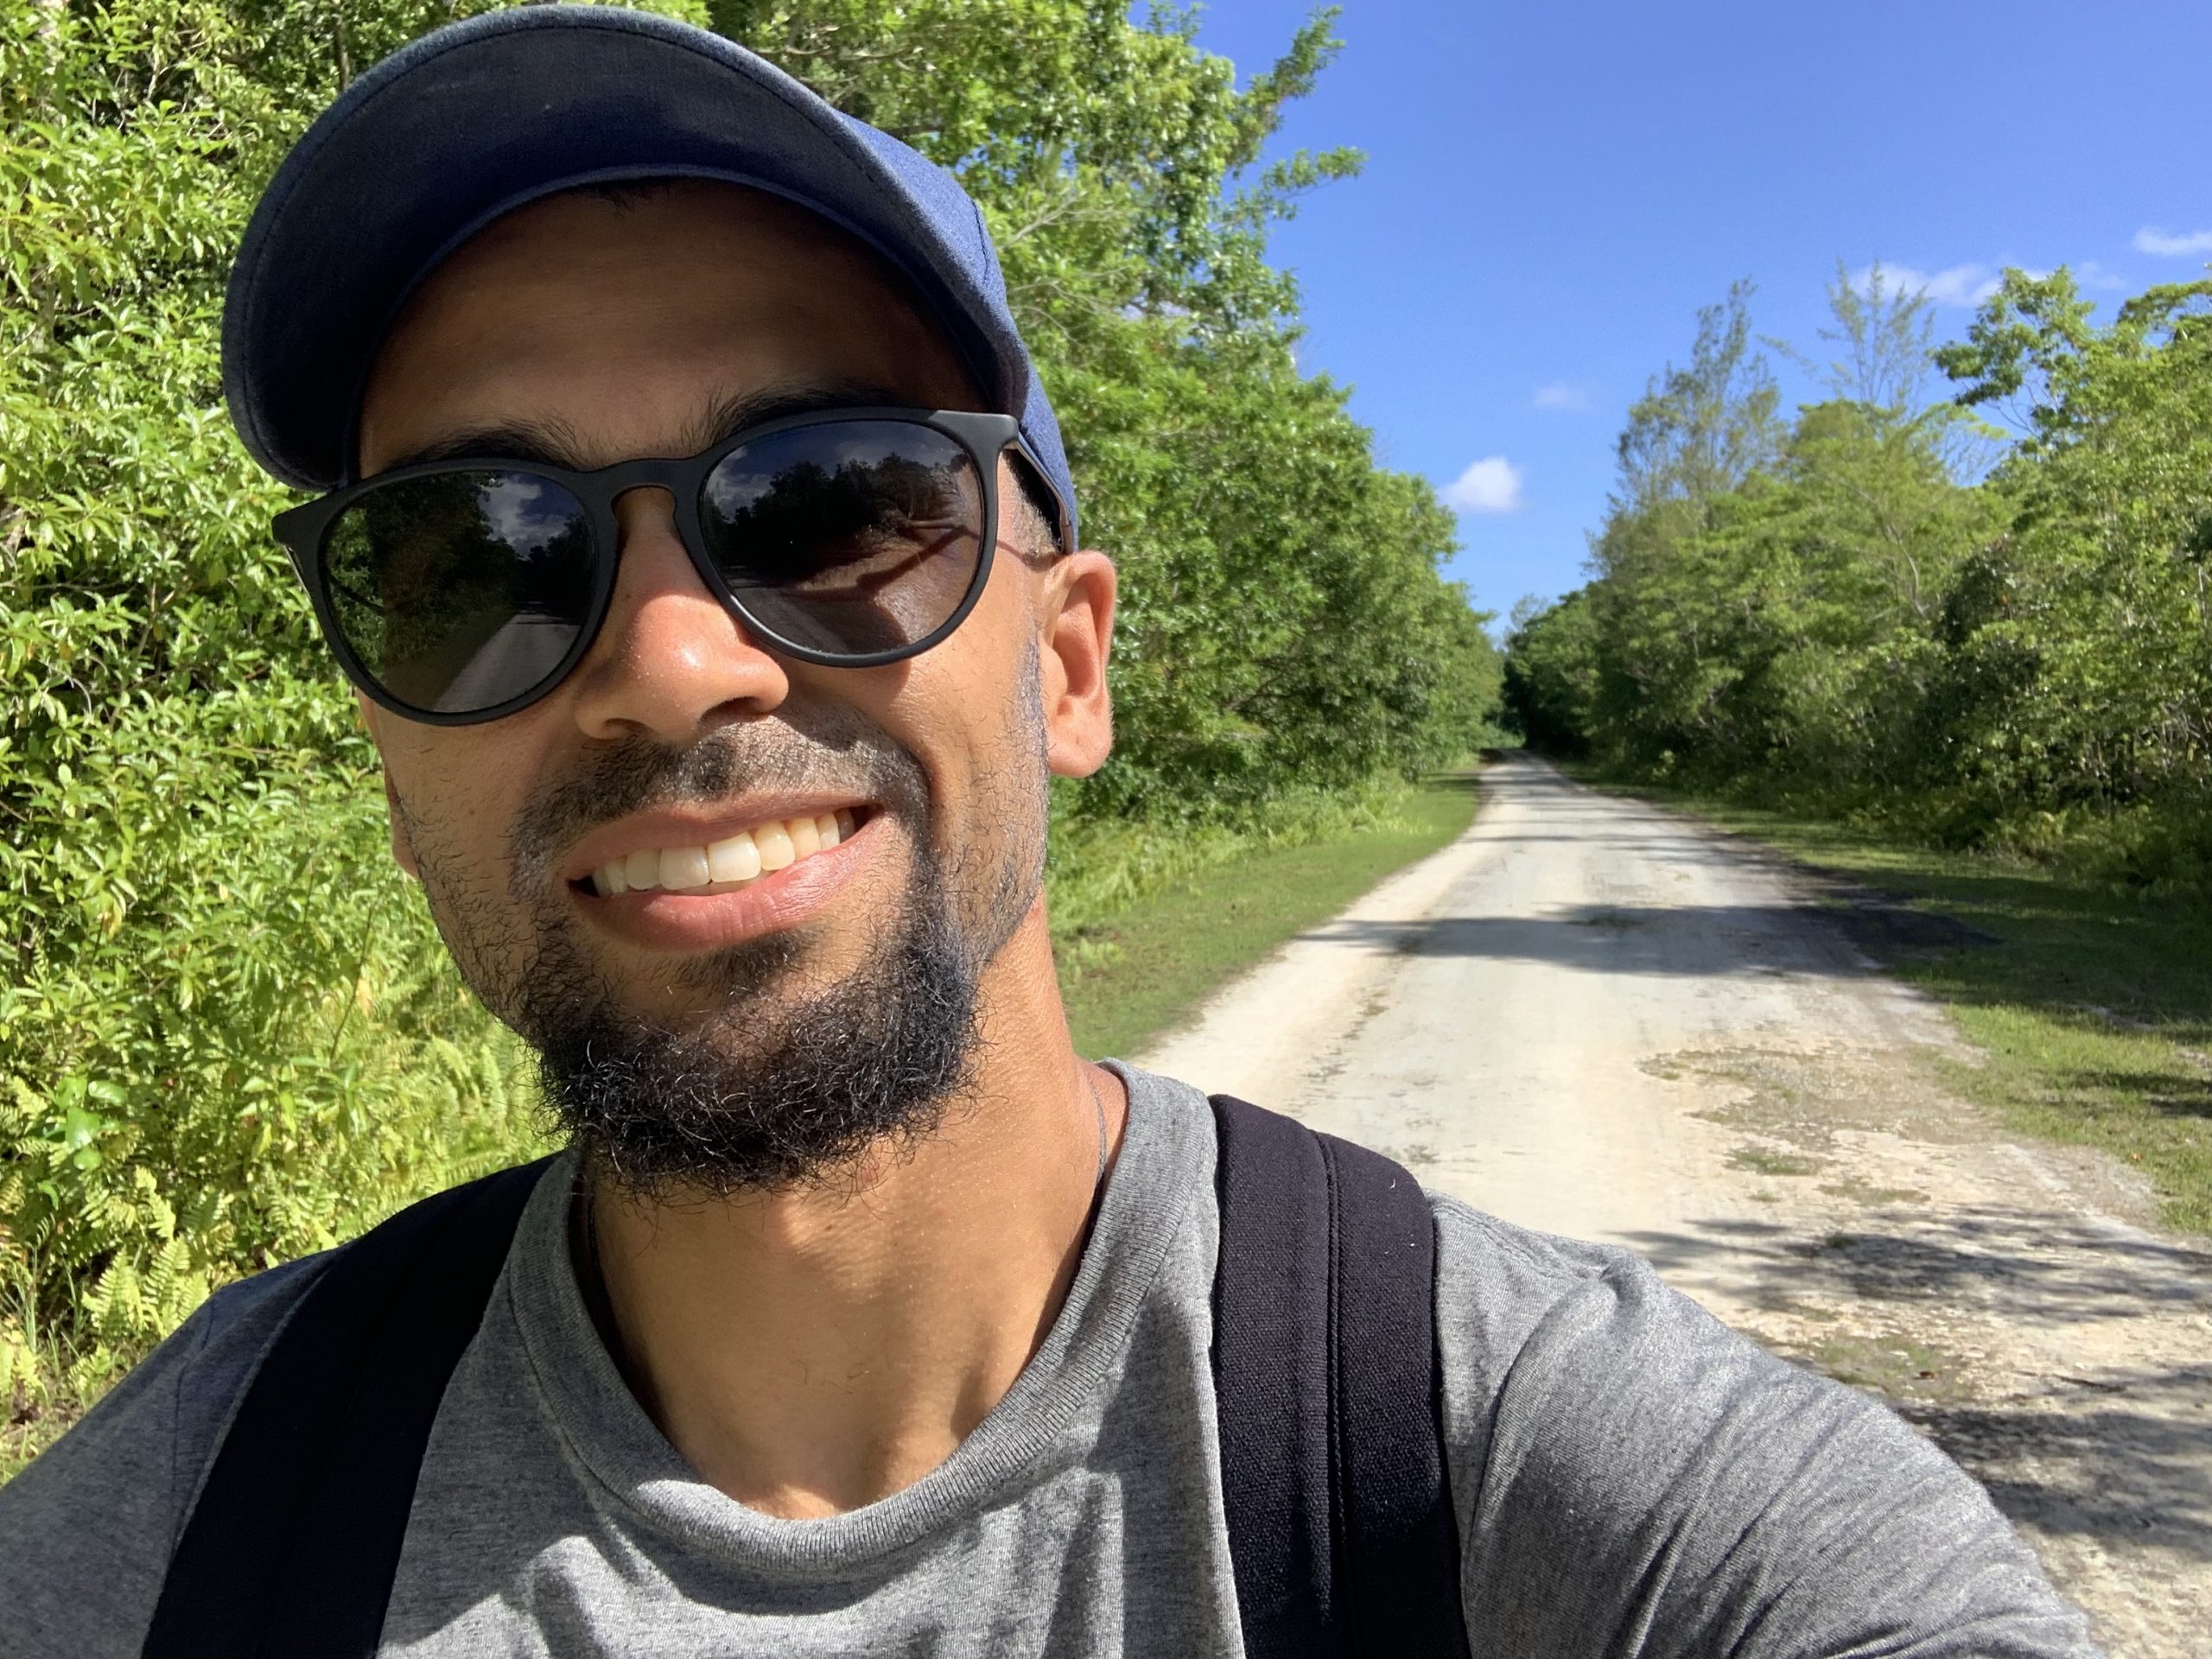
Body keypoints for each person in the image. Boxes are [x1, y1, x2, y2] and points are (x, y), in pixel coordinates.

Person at [0, 9, 2098, 1656]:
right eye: (471, 553)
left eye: (828, 500)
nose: (662, 664)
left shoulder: (1495, 1463)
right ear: (384, 734)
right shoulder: (212, 1498)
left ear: (1067, 663)